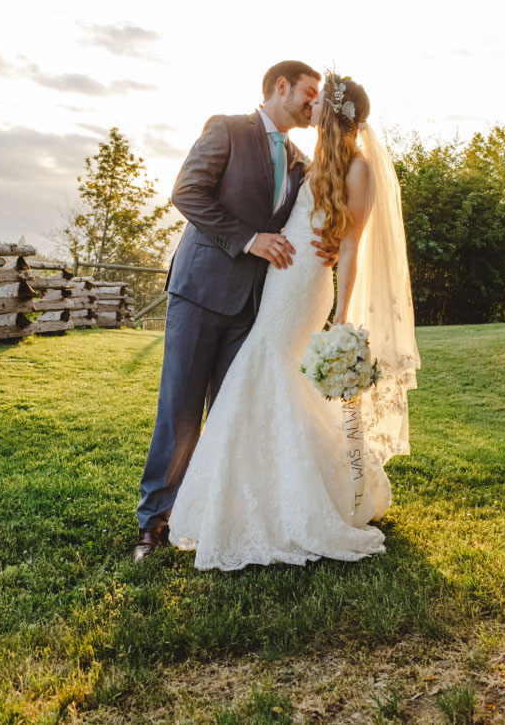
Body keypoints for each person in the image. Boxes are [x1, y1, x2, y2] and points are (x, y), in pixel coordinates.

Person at [168, 71, 419, 569]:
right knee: (271, 375)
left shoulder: (359, 169)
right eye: (310, 95)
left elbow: (350, 247)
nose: (311, 105)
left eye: (319, 99)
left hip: (305, 287)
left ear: (333, 112)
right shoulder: (310, 162)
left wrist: (344, 316)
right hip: (277, 279)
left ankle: (296, 502)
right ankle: (261, 490)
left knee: (270, 367)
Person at [134, 59, 330, 563]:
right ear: (280, 86)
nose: (314, 104)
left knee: (226, 415)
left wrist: (328, 246)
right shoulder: (226, 130)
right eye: (308, 93)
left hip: (254, 308)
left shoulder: (300, 162)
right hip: (199, 291)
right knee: (179, 414)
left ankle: (214, 515)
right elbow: (186, 193)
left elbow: (306, 219)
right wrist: (248, 239)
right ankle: (153, 523)